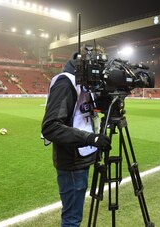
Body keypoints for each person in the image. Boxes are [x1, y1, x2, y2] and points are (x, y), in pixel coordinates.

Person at [41, 52, 111, 227]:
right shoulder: (66, 82)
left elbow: (88, 111)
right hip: (72, 161)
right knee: (72, 219)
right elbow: (50, 127)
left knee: (74, 216)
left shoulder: (85, 84)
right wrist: (90, 138)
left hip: (83, 157)